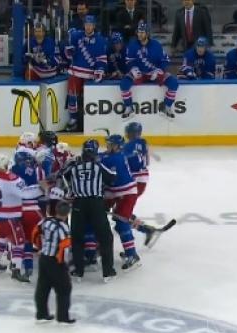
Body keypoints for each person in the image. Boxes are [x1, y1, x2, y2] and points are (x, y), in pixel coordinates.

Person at [61, 139, 117, 283]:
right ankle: (108, 272)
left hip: (78, 204)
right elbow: (112, 178)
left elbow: (62, 176)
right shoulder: (98, 166)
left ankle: (78, 272)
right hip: (96, 204)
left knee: (78, 238)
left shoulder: (74, 167)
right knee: (105, 238)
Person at [0, 154, 46, 283]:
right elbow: (25, 193)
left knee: (2, 237)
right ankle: (16, 270)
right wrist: (42, 189)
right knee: (19, 242)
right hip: (7, 217)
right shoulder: (11, 179)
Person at [121, 21, 179, 119]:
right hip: (140, 74)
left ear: (147, 33)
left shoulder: (156, 45)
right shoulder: (132, 45)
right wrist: (133, 68)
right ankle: (129, 107)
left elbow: (165, 60)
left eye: (142, 32)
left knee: (174, 83)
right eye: (138, 32)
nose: (139, 34)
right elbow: (128, 60)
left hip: (154, 73)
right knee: (124, 84)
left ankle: (166, 106)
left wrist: (159, 70)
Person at [101, 134, 142, 270]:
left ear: (118, 147)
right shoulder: (114, 155)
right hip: (114, 192)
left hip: (126, 193)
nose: (108, 146)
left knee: (121, 223)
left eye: (111, 144)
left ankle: (132, 255)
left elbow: (100, 164)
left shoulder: (114, 159)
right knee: (99, 215)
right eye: (108, 144)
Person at [32, 201, 75, 325]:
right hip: (56, 261)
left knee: (43, 287)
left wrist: (39, 246)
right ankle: (62, 317)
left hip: (44, 258)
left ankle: (41, 314)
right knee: (64, 288)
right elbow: (64, 248)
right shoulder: (64, 227)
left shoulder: (46, 221)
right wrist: (65, 264)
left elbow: (35, 232)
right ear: (68, 213)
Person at [65, 15, 107, 131]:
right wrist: (69, 51)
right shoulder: (76, 36)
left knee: (87, 99)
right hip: (75, 71)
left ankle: (87, 121)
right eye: (86, 25)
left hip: (90, 74)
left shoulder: (99, 40)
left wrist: (100, 70)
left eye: (90, 25)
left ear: (94, 26)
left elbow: (102, 59)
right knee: (72, 96)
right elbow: (68, 55)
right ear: (84, 25)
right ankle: (73, 118)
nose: (88, 27)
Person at [10, 151, 45, 281]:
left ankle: (20, 265)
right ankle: (50, 262)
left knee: (21, 240)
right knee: (40, 238)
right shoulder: (35, 170)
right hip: (34, 211)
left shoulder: (11, 171)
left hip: (16, 211)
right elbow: (42, 189)